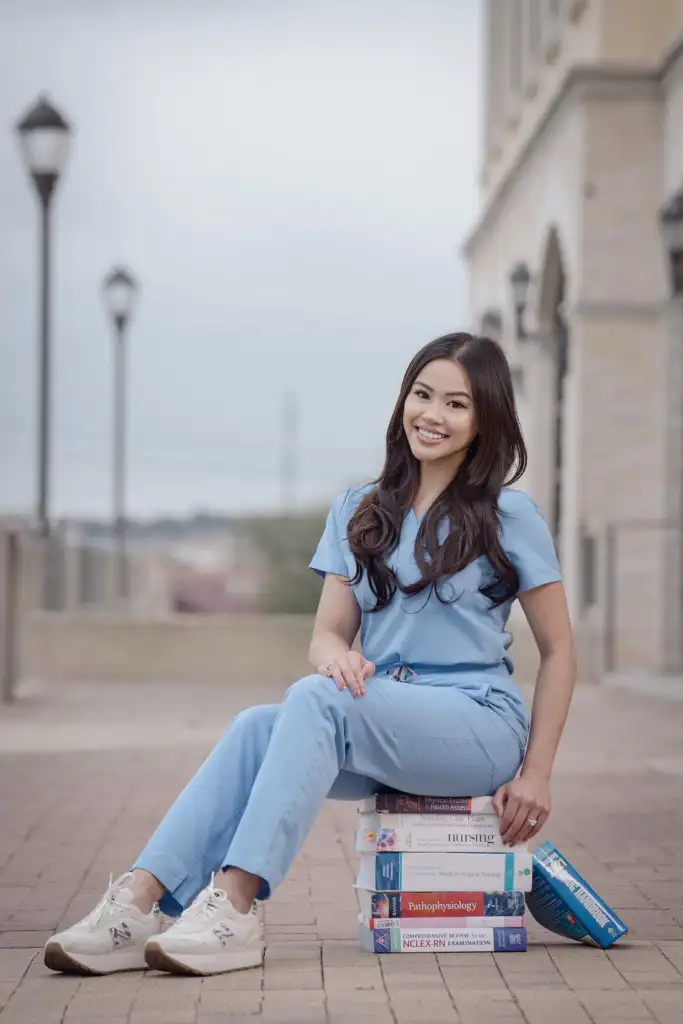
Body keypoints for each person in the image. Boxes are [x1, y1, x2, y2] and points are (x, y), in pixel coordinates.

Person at [44, 332, 576, 977]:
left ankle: (235, 907)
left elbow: (558, 650)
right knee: (254, 728)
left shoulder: (510, 515)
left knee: (313, 700)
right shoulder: (360, 510)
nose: (432, 415)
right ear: (403, 400)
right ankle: (139, 902)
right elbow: (328, 633)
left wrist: (538, 773)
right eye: (422, 395)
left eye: (456, 404)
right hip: (382, 718)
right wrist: (335, 659)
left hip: (477, 723)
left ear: (486, 417)